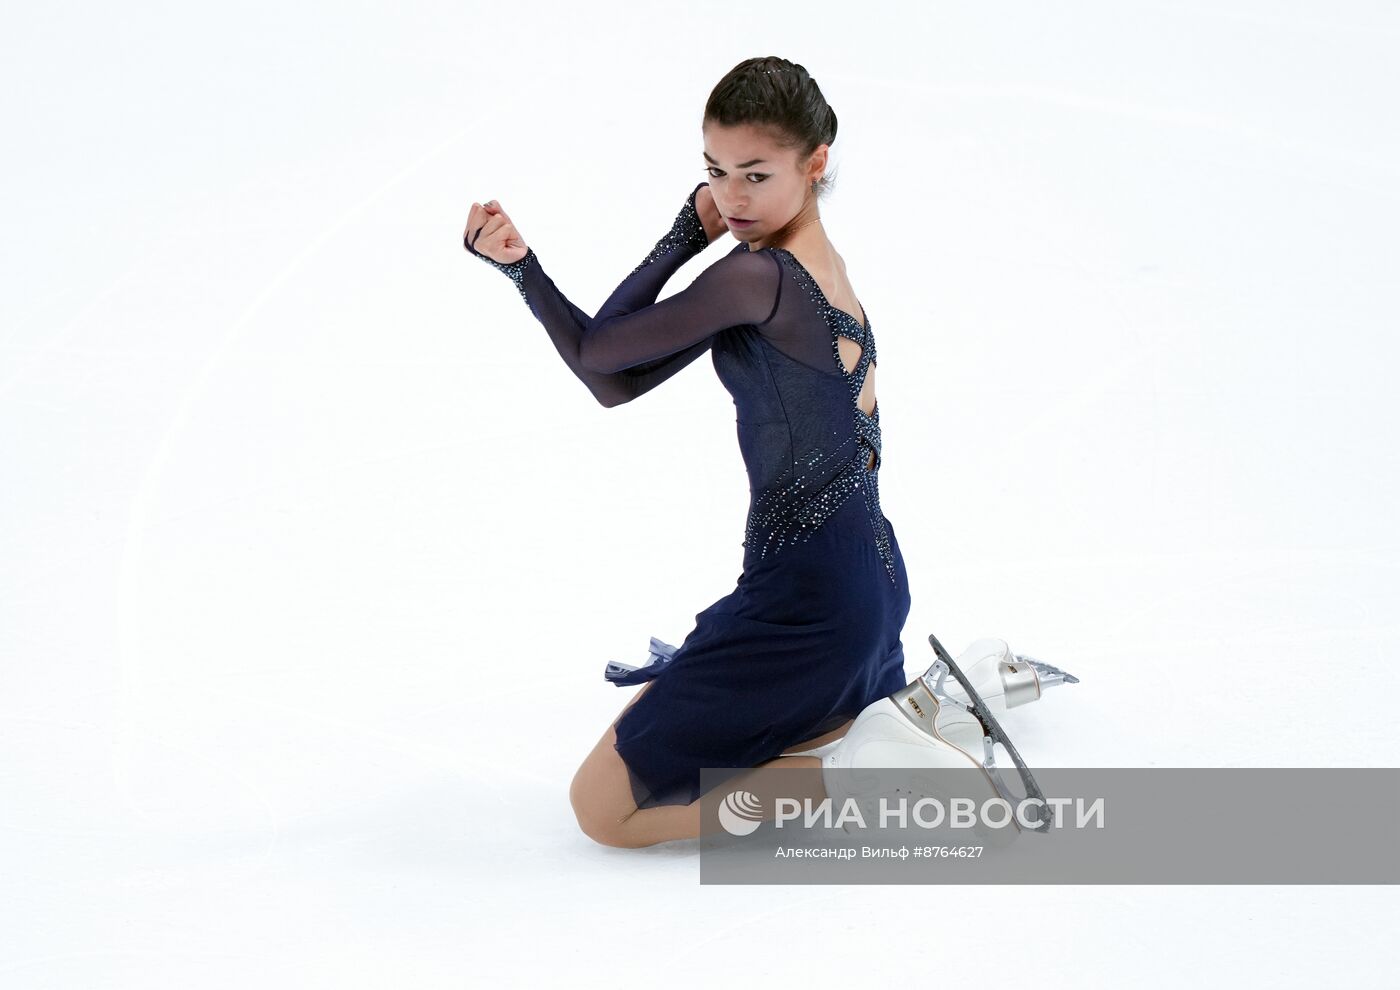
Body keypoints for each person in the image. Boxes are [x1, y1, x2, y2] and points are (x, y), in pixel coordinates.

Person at [464, 57, 918, 848]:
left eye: (755, 175)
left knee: (602, 811)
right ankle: (866, 750)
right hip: (869, 589)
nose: (731, 199)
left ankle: (867, 775)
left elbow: (600, 350)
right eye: (715, 173)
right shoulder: (816, 271)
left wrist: (678, 237)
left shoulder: (759, 279)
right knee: (743, 755)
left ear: (815, 162)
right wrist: (526, 271)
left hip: (808, 604)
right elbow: (615, 381)